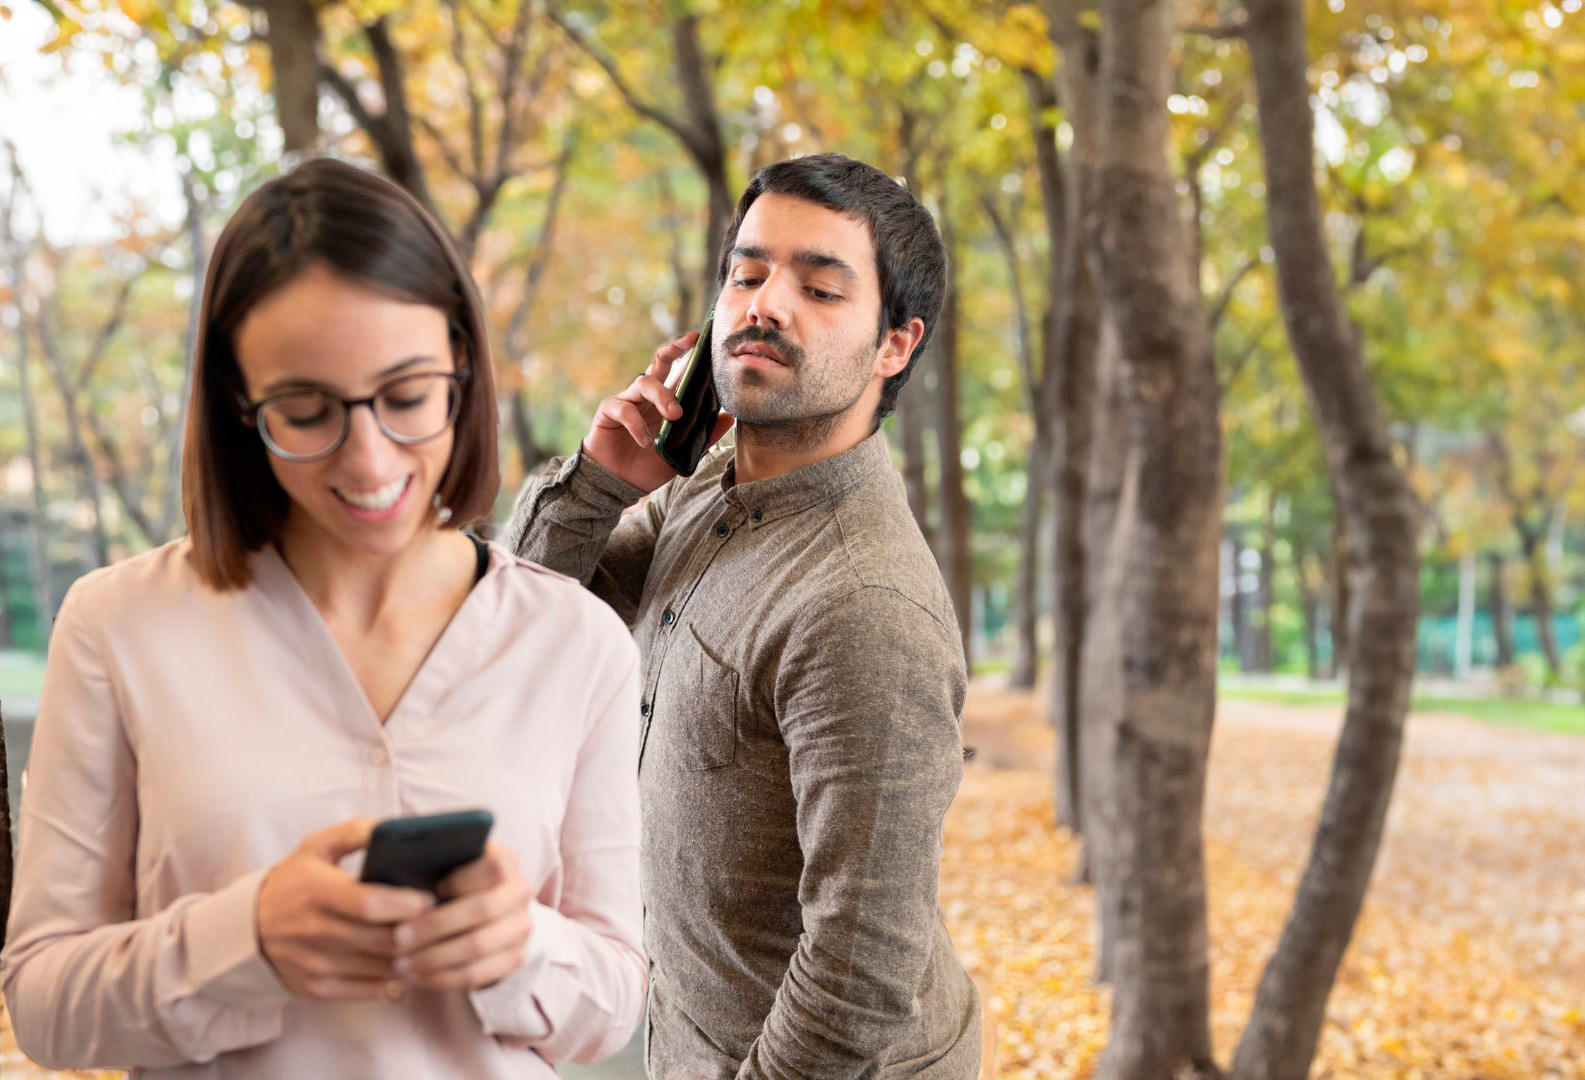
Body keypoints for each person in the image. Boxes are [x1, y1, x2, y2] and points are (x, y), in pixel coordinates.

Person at [0, 158, 645, 1078]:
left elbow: (612, 1005)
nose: (370, 459)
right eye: (305, 411)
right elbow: (47, 1001)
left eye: (407, 397)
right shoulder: (117, 627)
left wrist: (523, 947)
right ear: (238, 404)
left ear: (462, 368)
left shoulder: (576, 644)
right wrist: (244, 940)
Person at [507, 152, 982, 1078]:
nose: (765, 303)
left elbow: (859, 972)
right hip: (679, 1033)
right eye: (748, 272)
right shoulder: (703, 493)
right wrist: (601, 479)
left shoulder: (862, 605)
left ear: (894, 345)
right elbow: (522, 625)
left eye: (821, 287)